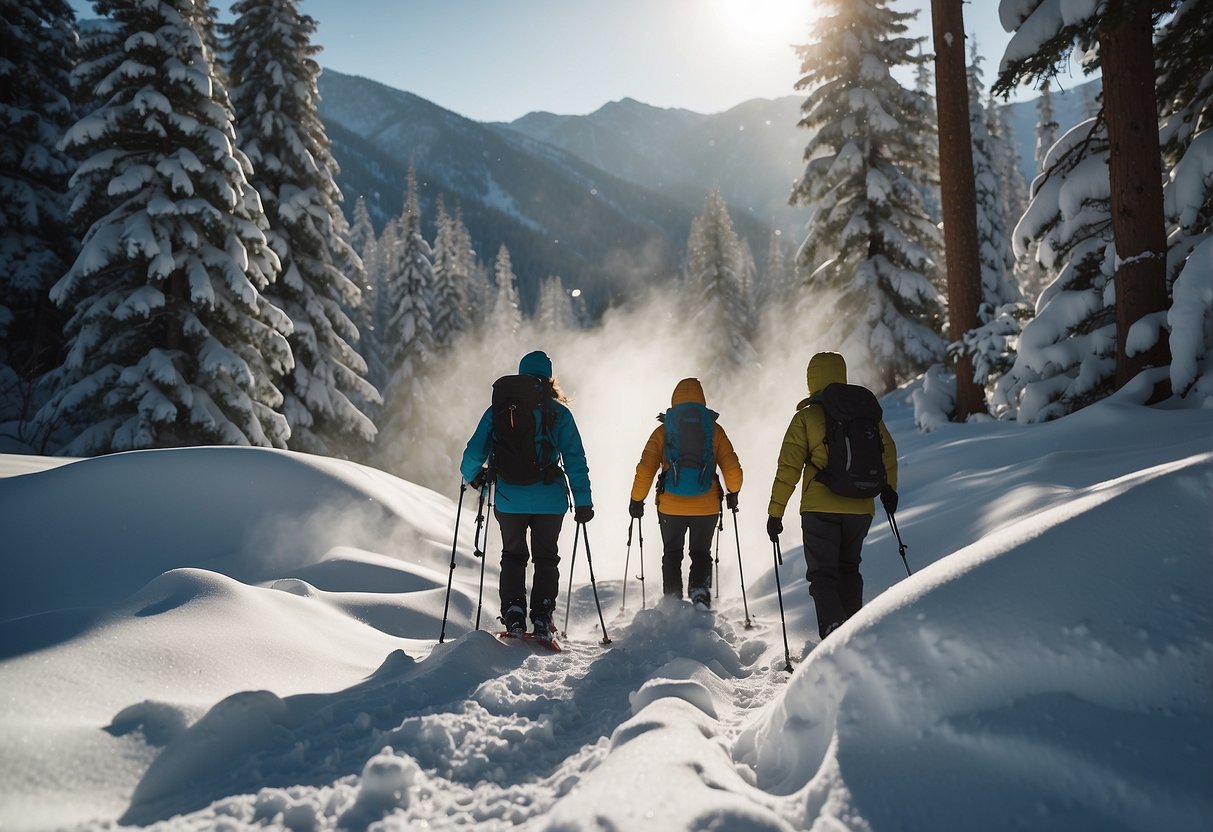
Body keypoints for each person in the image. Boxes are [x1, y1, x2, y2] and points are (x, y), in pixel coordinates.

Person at [461, 350, 593, 640]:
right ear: (549, 378)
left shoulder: (498, 409)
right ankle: (543, 617)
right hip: (550, 501)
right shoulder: (560, 413)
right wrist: (583, 502)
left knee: (513, 556)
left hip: (509, 500)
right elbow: (575, 460)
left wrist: (474, 478)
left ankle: (514, 614)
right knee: (546, 558)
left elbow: (471, 456)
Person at [766, 352, 898, 640]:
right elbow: (888, 453)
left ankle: (834, 634)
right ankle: (853, 634)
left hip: (819, 509)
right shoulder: (865, 414)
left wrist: (775, 513)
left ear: (811, 380)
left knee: (823, 575)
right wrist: (890, 491)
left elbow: (788, 467)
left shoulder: (807, 417)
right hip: (861, 507)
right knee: (850, 569)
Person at [629, 378, 742, 608]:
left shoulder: (663, 430)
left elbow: (645, 468)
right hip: (707, 505)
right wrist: (733, 491)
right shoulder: (714, 430)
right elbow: (732, 468)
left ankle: (672, 600)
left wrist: (636, 499)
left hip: (670, 505)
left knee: (672, 553)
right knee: (701, 553)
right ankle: (700, 596)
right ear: (702, 400)